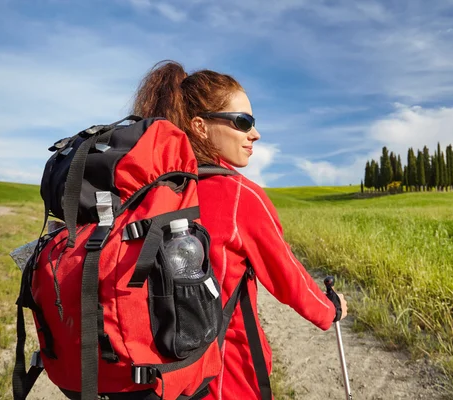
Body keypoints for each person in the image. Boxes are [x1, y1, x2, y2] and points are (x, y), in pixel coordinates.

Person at [132, 60, 348, 400]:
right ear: (200, 126)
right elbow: (288, 278)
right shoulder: (239, 196)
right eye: (243, 122)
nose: (255, 134)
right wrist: (330, 308)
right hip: (223, 378)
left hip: (152, 374)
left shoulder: (150, 191)